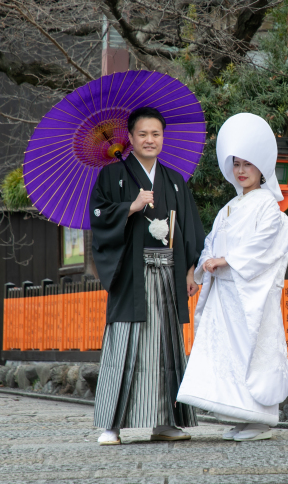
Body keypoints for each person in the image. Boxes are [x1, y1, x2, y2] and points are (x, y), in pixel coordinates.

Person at [89, 106, 204, 446]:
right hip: (132, 275)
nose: (150, 140)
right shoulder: (112, 176)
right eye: (143, 134)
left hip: (168, 275)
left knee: (166, 347)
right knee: (125, 344)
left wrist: (189, 269)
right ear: (130, 138)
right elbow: (99, 217)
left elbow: (189, 231)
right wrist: (130, 207)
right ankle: (112, 425)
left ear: (162, 138)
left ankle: (164, 421)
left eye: (156, 134)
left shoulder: (175, 181)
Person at [177, 113, 288, 442]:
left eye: (248, 164)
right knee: (228, 356)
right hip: (226, 294)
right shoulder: (227, 208)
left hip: (248, 294)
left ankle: (259, 419)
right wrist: (204, 267)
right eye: (237, 164)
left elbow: (264, 247)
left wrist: (226, 261)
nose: (242, 171)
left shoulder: (268, 207)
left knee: (251, 352)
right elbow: (209, 245)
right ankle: (242, 415)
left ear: (261, 168)